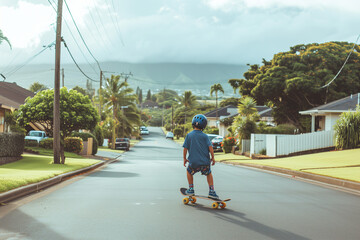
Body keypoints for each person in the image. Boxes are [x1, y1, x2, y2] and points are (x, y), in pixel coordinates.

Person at [183, 114, 219, 199]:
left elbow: (185, 148)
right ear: (204, 125)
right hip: (205, 162)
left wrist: (184, 158)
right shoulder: (205, 136)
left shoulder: (189, 135)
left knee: (189, 172)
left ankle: (191, 189)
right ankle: (212, 191)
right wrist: (213, 158)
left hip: (194, 162)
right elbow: (210, 148)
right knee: (208, 173)